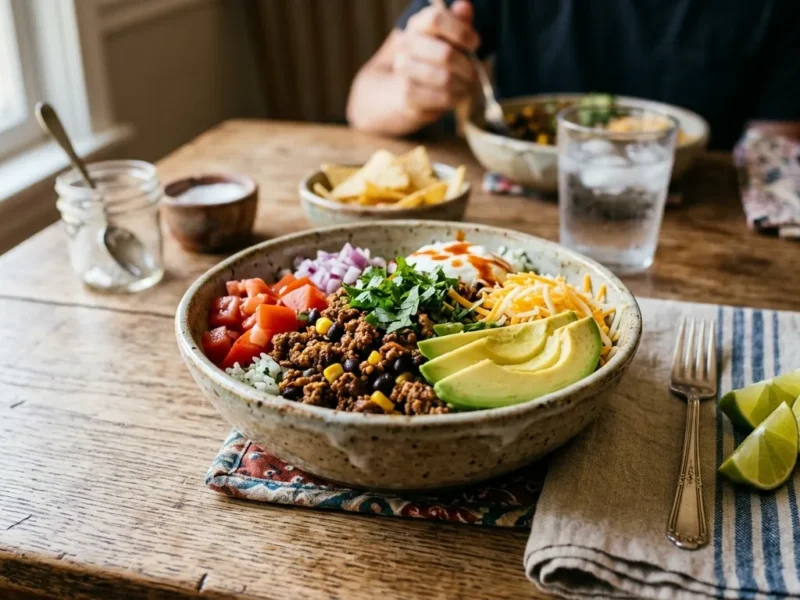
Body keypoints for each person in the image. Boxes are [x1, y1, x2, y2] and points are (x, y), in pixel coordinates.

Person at [346, 0, 800, 148]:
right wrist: (410, 93)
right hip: (514, 216)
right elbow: (365, 96)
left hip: (699, 232)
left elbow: (774, 160)